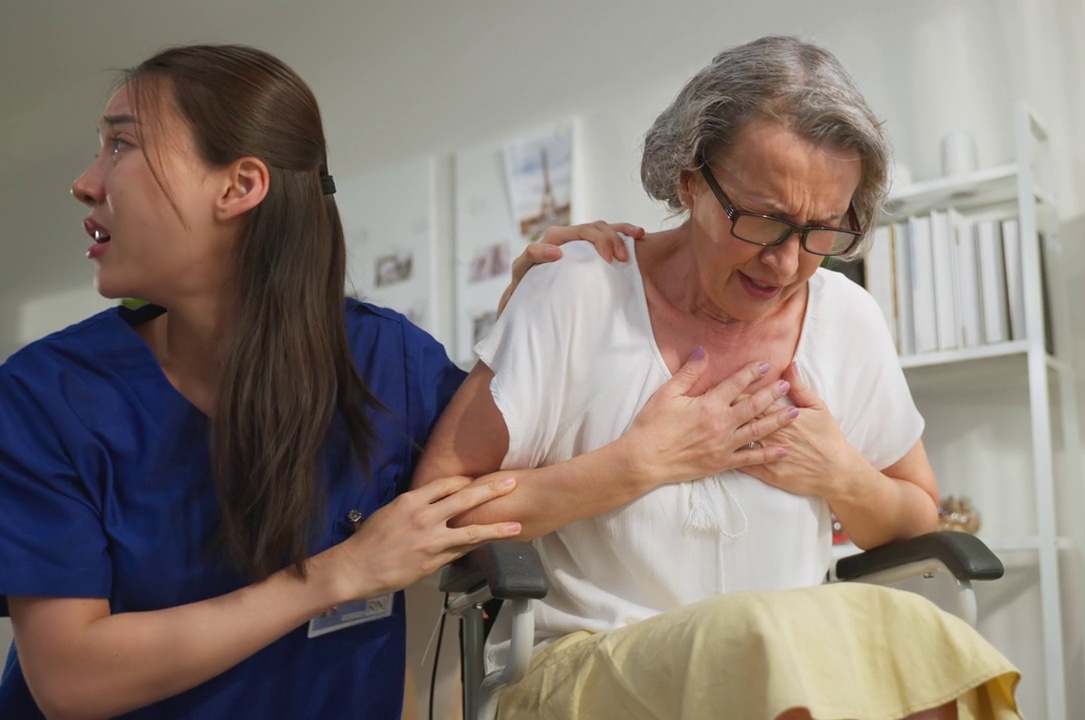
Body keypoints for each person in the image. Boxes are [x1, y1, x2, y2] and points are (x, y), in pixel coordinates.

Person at [0, 44, 654, 719]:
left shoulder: (383, 362)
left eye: (119, 147)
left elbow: (503, 483)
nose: (85, 181)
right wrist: (338, 574)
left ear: (239, 187)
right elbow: (71, 679)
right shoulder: (49, 395)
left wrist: (542, 315)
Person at [417, 35, 1023, 719]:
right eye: (765, 221)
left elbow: (918, 510)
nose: (788, 263)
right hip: (587, 657)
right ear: (687, 179)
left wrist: (839, 476)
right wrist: (635, 465)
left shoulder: (846, 317)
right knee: (762, 648)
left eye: (824, 230)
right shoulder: (580, 292)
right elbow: (438, 508)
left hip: (787, 647)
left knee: (928, 651)